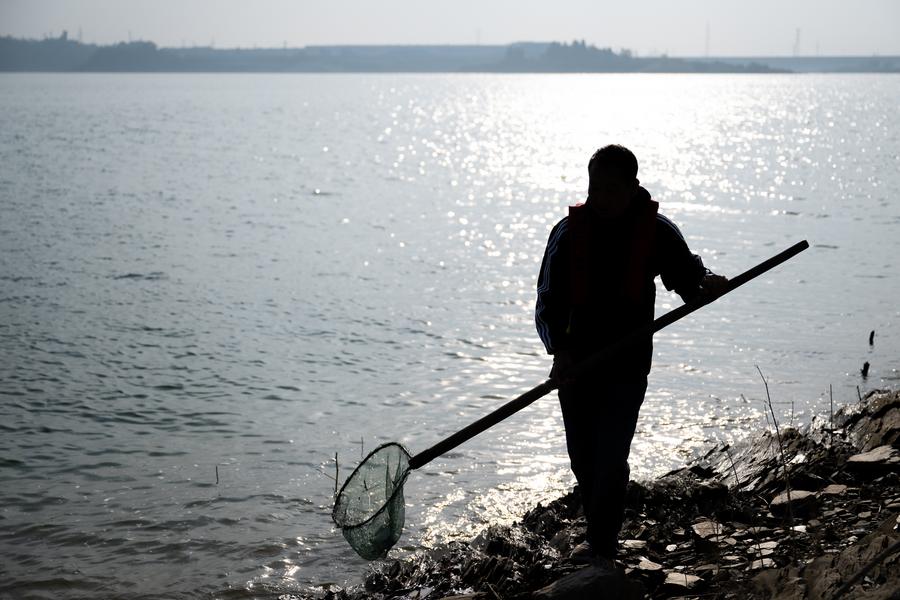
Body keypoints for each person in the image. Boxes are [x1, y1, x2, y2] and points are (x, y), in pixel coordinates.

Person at [534, 144, 727, 568]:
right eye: (594, 189)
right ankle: (599, 532)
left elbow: (688, 277)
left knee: (610, 453)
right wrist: (560, 353)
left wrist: (707, 283)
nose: (601, 198)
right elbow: (546, 301)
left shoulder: (655, 230)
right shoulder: (568, 235)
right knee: (583, 456)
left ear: (632, 187)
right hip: (577, 365)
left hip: (627, 363)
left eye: (611, 189)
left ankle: (602, 543)